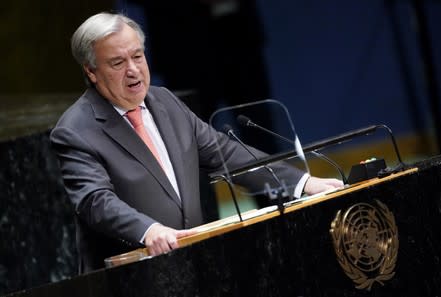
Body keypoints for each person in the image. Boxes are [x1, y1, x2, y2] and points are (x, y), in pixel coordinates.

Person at [50, 12, 343, 273]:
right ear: (91, 71)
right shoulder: (76, 130)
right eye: (117, 62)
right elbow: (95, 201)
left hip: (196, 266)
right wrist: (148, 230)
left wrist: (302, 183)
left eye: (138, 56)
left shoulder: (165, 102)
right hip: (132, 276)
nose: (133, 70)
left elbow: (225, 153)